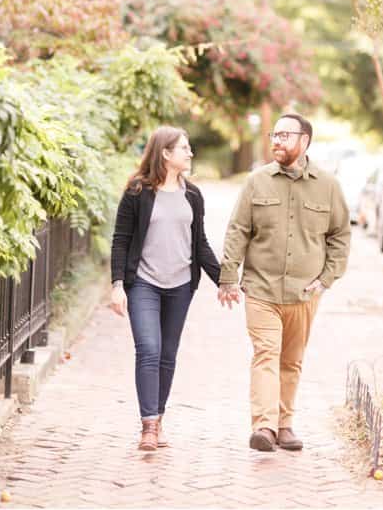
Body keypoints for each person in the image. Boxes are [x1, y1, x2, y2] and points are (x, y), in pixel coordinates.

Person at [218, 112, 351, 452]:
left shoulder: (328, 185)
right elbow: (238, 230)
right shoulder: (257, 181)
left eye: (284, 135)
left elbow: (340, 236)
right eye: (274, 135)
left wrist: (326, 279)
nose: (276, 141)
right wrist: (228, 276)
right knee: (266, 354)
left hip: (304, 293)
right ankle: (264, 427)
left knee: (291, 361)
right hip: (261, 289)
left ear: (304, 141)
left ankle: (285, 424)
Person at [109, 125, 221, 451]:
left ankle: (157, 420)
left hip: (181, 285)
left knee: (168, 355)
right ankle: (148, 426)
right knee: (149, 349)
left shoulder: (193, 195)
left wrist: (225, 281)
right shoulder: (137, 192)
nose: (190, 153)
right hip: (144, 282)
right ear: (166, 153)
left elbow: (200, 244)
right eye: (184, 148)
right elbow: (120, 241)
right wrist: (118, 284)